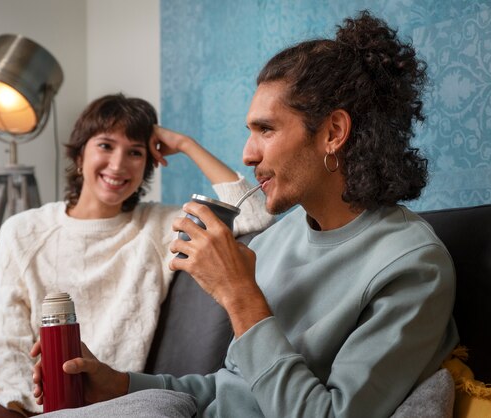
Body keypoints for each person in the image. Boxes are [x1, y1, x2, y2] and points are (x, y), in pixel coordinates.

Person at [32, 11, 460, 418]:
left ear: (333, 133)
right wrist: (119, 385)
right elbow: (227, 392)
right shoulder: (278, 238)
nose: (247, 153)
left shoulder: (412, 265)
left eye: (266, 130)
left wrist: (241, 297)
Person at [0, 94, 274, 417]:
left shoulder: (158, 227)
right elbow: (2, 342)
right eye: (105, 146)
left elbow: (255, 215)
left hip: (106, 399)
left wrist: (186, 144)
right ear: (80, 155)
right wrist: (47, 408)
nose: (118, 165)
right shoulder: (22, 230)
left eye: (135, 152)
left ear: (147, 166)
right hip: (17, 398)